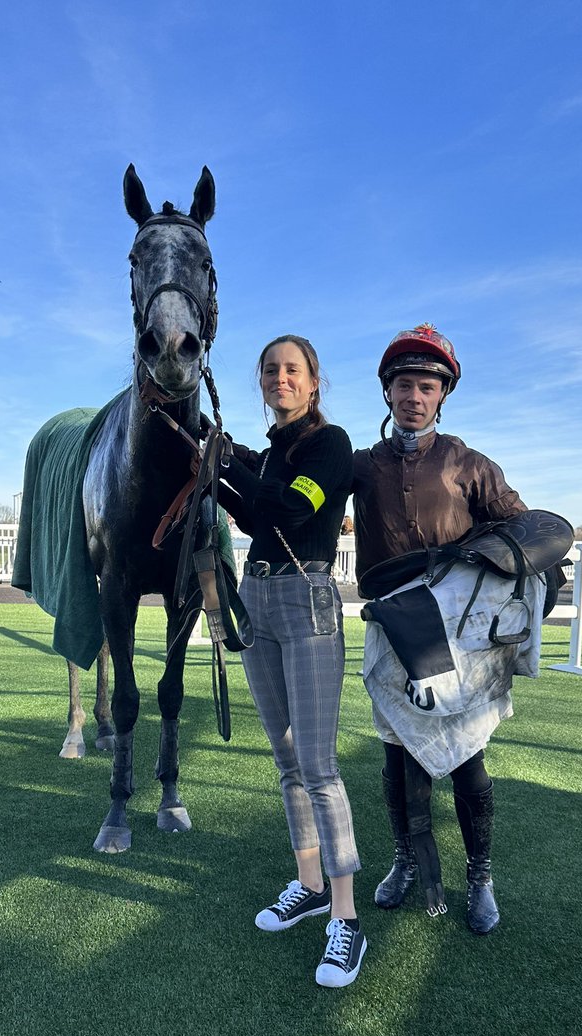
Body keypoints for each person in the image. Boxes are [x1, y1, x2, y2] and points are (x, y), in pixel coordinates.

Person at [353, 323, 552, 935]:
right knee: (397, 759)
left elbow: (529, 530)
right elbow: (297, 497)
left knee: (468, 763)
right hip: (392, 630)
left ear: (442, 396)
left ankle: (480, 876)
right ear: (388, 393)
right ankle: (406, 861)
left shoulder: (470, 464)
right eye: (404, 385)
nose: (415, 395)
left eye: (427, 387)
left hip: (459, 640)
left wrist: (480, 563)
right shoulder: (362, 466)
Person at [217, 334, 366, 988]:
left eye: (292, 370)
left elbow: (284, 508)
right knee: (284, 760)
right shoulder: (274, 452)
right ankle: (307, 884)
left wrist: (232, 466)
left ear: (313, 383)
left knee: (317, 764)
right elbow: (249, 513)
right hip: (258, 594)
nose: (281, 378)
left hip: (307, 600)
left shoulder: (329, 446)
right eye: (271, 370)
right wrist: (213, 468)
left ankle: (346, 918)